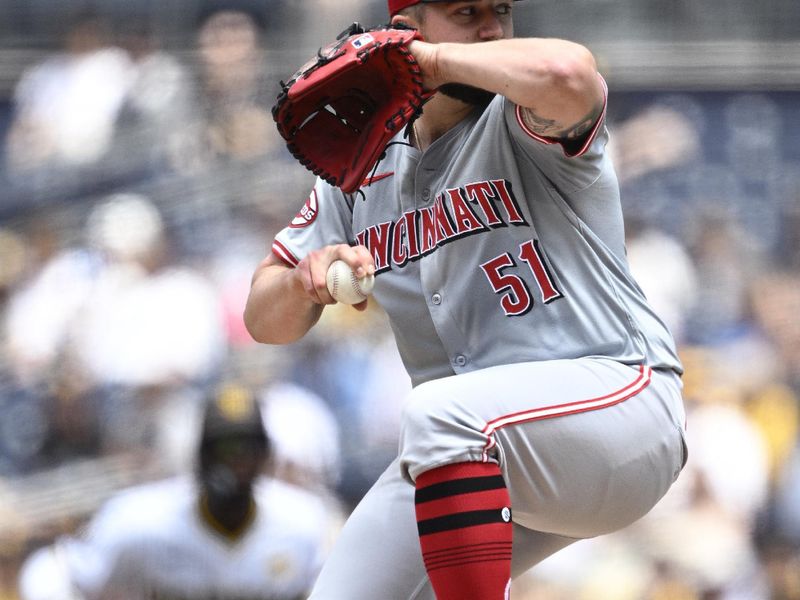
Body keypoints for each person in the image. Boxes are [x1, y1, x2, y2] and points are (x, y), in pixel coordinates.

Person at [244, 1, 688, 598]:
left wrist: (431, 59)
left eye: (500, 11)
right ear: (406, 30)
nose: (491, 30)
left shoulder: (524, 114)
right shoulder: (363, 160)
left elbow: (570, 74)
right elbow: (261, 317)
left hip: (620, 408)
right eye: (467, 11)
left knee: (439, 416)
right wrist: (304, 279)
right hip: (481, 451)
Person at [17, 382, 337, 600]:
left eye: (247, 449)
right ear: (200, 456)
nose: (236, 462)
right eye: (224, 448)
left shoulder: (303, 524)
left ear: (265, 456)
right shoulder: (139, 521)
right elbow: (48, 573)